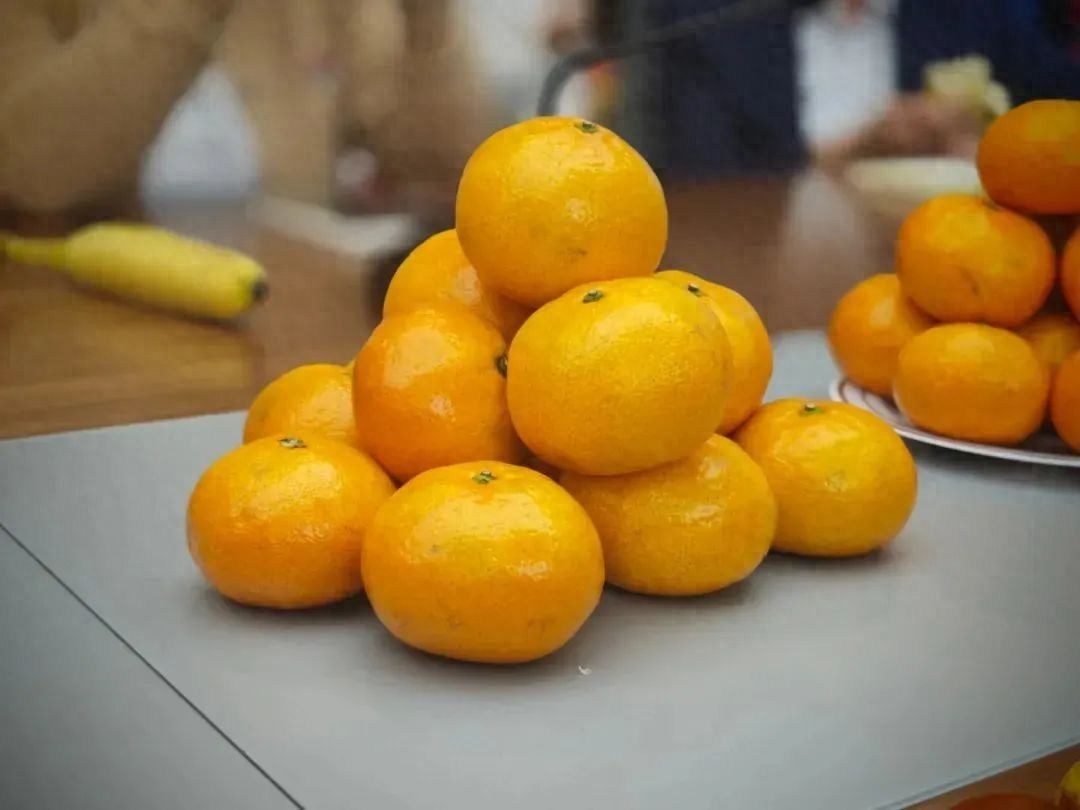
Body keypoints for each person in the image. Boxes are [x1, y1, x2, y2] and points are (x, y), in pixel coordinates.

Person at [0, 0, 488, 216]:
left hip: (272, 319)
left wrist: (429, 15)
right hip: (67, 320)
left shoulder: (324, 11)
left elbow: (455, 173)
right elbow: (33, 179)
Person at [645, 0, 1080, 177]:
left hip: (952, 255)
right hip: (762, 266)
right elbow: (703, 180)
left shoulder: (974, 9)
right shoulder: (706, 17)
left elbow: (1059, 109)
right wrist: (858, 148)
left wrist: (992, 147)